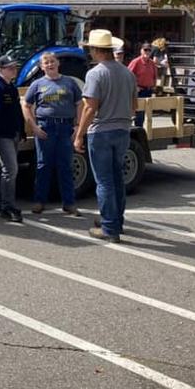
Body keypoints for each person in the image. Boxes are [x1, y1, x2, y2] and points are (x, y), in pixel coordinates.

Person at [73, 29, 138, 243]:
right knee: (117, 178)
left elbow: (90, 108)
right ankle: (115, 220)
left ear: (96, 50)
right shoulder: (128, 73)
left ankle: (109, 227)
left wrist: (79, 134)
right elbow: (134, 106)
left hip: (101, 131)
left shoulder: (95, 73)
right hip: (123, 129)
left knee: (104, 182)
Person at [22, 52, 83, 216]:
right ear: (42, 67)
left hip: (65, 128)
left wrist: (78, 125)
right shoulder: (37, 84)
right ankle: (39, 201)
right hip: (45, 129)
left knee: (66, 166)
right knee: (43, 166)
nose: (50, 64)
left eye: (52, 61)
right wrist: (34, 127)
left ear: (58, 63)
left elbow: (79, 103)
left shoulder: (69, 82)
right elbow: (26, 105)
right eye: (46, 62)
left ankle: (69, 203)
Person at [0, 55, 25, 222]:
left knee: (5, 170)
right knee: (11, 170)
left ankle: (1, 202)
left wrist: (21, 130)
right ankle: (7, 206)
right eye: (10, 68)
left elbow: (16, 112)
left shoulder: (11, 88)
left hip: (13, 133)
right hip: (3, 136)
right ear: (0, 70)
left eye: (14, 67)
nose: (14, 70)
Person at [127, 42, 158, 127]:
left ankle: (142, 129)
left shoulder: (152, 63)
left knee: (146, 112)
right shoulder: (136, 62)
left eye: (149, 50)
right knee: (139, 113)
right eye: (145, 50)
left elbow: (155, 75)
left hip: (148, 90)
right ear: (141, 51)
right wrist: (135, 86)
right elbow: (128, 75)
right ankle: (138, 129)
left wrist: (154, 86)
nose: (147, 52)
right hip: (139, 90)